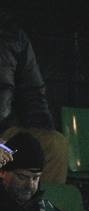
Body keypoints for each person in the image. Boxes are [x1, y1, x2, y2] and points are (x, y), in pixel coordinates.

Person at [0, 16, 67, 185]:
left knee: (54, 145)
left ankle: (41, 209)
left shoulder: (13, 36)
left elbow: (32, 93)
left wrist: (33, 141)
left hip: (5, 132)